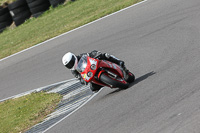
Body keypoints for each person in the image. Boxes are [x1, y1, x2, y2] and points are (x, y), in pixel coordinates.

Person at [62, 50, 135, 92]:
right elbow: (79, 78)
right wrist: (83, 80)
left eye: (71, 62)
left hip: (95, 65)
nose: (70, 65)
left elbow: (92, 53)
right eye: (68, 65)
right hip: (91, 74)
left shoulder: (82, 56)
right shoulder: (73, 70)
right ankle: (107, 82)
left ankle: (120, 63)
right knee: (93, 88)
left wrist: (96, 54)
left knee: (106, 55)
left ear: (73, 57)